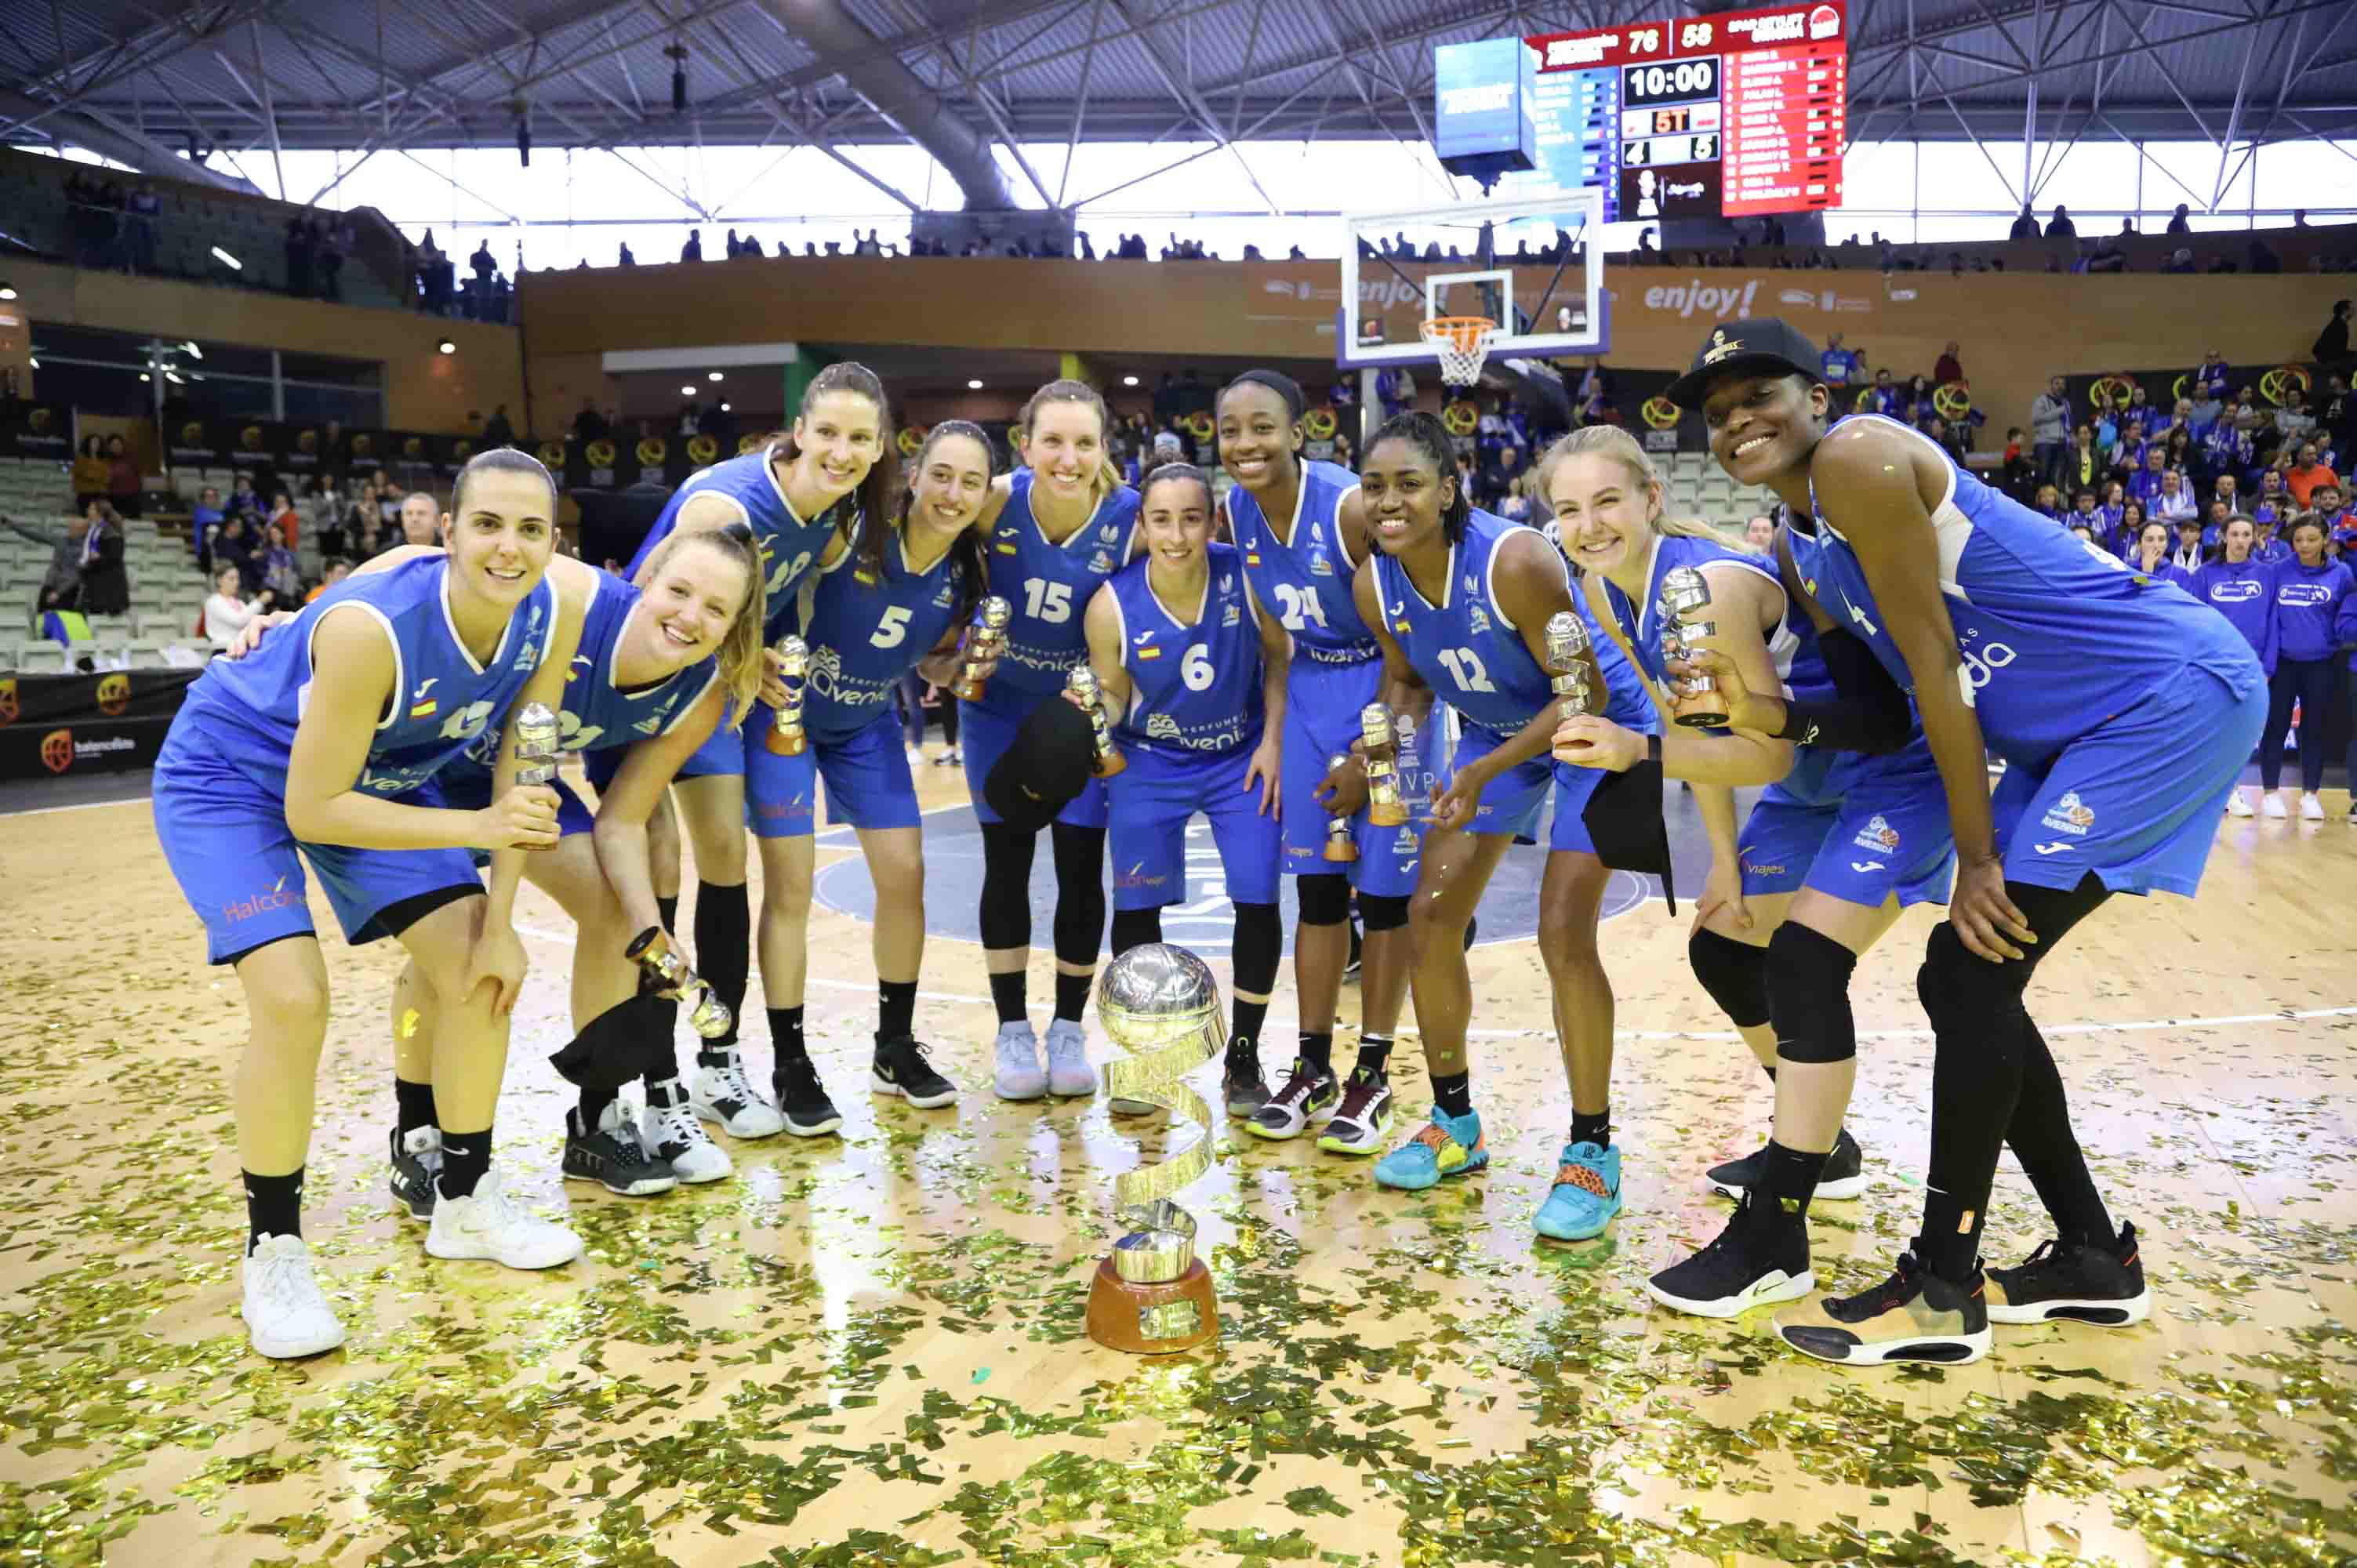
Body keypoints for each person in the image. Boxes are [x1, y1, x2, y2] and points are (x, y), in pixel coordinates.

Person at [1671, 317, 2264, 1367]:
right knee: (1969, 979)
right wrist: (1756, 717)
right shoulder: (1796, 542)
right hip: (2066, 729)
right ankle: (2089, 1256)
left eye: (1759, 395)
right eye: (1717, 416)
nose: (1737, 423)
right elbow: (1879, 710)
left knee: (1967, 967)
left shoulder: (1856, 459)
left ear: (1817, 395)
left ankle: (1946, 1287)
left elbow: (1939, 663)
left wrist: (1978, 859)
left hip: (2157, 696)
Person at [148, 448, 583, 1359]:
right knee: (295, 998)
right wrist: (477, 820)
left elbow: (529, 762)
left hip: (370, 778)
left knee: (476, 969)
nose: (510, 546)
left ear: (555, 539)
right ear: (448, 532)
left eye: (532, 528)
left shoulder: (548, 612)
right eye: (490, 525)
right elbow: (313, 806)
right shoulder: (368, 629)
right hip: (234, 775)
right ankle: (275, 1248)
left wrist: (501, 920)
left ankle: (464, 1200)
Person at [1548, 427, 1952, 1312]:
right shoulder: (1600, 590)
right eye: (1569, 509)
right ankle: (1825, 1143)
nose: (1589, 523)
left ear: (1651, 497)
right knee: (1725, 949)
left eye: (1606, 501)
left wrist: (1635, 749)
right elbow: (1703, 741)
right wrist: (1724, 864)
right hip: (1805, 784)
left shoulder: (1710, 585)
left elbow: (1754, 753)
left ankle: (1778, 1234)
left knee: (1805, 965)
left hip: (1891, 769)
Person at [1341, 413, 1653, 1241]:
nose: (1389, 500)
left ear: (1448, 490)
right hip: (1499, 735)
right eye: (1374, 485)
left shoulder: (1514, 559)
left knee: (1563, 930)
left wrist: (1479, 770)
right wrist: (1361, 755)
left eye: (1409, 483)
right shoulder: (1376, 580)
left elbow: (1578, 691)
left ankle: (1592, 1152)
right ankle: (1455, 1125)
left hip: (1592, 728)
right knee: (1430, 916)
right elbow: (1406, 682)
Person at [612, 361, 896, 1141]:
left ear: (877, 450)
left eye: (859, 438)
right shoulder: (724, 503)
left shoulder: (836, 524)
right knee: (660, 863)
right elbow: (660, 611)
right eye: (828, 432)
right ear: (799, 432)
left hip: (710, 695)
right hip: (634, 691)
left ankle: (718, 1056)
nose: (841, 450)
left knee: (726, 860)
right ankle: (657, 1077)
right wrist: (746, 655)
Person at [725, 421, 1002, 1120]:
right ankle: (790, 1061)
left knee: (905, 880)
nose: (953, 492)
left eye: (970, 481)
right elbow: (754, 572)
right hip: (783, 715)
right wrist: (743, 652)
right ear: (913, 475)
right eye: (942, 474)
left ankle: (894, 1045)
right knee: (789, 888)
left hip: (864, 724)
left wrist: (955, 666)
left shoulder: (967, 568)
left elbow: (929, 655)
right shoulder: (850, 533)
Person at [1217, 370, 1427, 1150]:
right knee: (1316, 894)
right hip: (1308, 698)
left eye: (1263, 426)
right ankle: (1312, 1066)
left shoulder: (1346, 509)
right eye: (1232, 429)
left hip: (1389, 698)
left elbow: (1409, 648)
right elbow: (1277, 644)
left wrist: (1370, 749)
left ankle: (1372, 1073)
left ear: (1298, 433)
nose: (1246, 444)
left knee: (1386, 899)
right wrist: (1275, 736)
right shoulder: (1238, 509)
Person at [1082, 462, 1290, 1096]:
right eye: (1162, 520)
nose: (1176, 535)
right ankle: (1149, 1057)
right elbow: (1114, 698)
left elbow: (1280, 657)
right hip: (1150, 761)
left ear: (1213, 521)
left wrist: (1275, 741)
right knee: (1139, 907)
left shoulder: (1244, 577)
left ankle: (1245, 1058)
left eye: (1191, 518)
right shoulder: (1111, 603)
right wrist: (1087, 724)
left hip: (1240, 758)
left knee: (1258, 898)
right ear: (1141, 524)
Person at [959, 380, 1138, 1103]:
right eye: (1053, 441)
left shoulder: (1128, 518)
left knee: (1077, 867)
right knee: (1005, 865)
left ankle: (1067, 1029)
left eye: (1084, 443)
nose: (1068, 458)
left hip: (1077, 712)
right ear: (1025, 445)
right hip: (996, 710)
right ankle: (1012, 1033)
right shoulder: (993, 501)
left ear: (1103, 451)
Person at [2257, 515, 2349, 822]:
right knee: (2275, 727)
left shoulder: (2342, 574)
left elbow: (2347, 614)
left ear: (2326, 539)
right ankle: (2270, 792)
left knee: (2315, 730)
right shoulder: (2277, 572)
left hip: (2322, 664)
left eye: (2311, 539)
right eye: (2298, 540)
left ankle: (2311, 794)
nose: (2305, 546)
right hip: (2283, 663)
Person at [2126, 518, 2192, 590]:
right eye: (2150, 540)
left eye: (2161, 540)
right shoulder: (2128, 571)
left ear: (2167, 544)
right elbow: (2134, 598)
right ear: (2139, 544)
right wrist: (2146, 573)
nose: (2156, 545)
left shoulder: (2180, 574)